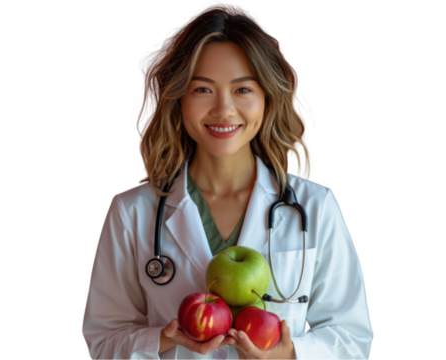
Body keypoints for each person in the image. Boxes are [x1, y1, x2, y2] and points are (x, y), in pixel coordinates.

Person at [81, 2, 373, 359]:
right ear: (180, 99)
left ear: (266, 97)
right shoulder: (131, 212)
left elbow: (351, 337)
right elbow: (103, 339)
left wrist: (289, 354)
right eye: (202, 89)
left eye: (243, 90)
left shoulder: (315, 208)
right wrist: (164, 339)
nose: (223, 109)